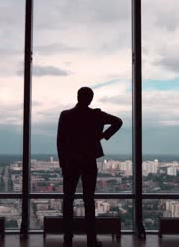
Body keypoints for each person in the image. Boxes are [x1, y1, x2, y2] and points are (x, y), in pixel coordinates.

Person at [57, 87, 123, 247]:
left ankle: (67, 239)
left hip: (71, 161)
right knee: (88, 200)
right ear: (90, 99)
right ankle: (91, 240)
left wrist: (62, 163)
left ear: (77, 97)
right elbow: (118, 121)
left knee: (68, 199)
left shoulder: (66, 115)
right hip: (88, 160)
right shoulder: (96, 115)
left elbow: (60, 141)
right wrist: (102, 136)